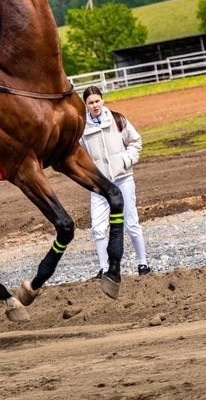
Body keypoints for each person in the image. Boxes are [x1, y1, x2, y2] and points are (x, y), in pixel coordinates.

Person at [80, 86, 151, 278]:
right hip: (100, 185)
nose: (95, 105)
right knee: (97, 229)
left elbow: (136, 142)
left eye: (97, 101)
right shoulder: (81, 128)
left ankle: (143, 264)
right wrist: (90, 176)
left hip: (123, 179)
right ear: (85, 105)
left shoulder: (118, 119)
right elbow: (79, 156)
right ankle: (104, 270)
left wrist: (125, 161)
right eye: (90, 103)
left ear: (103, 100)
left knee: (132, 223)